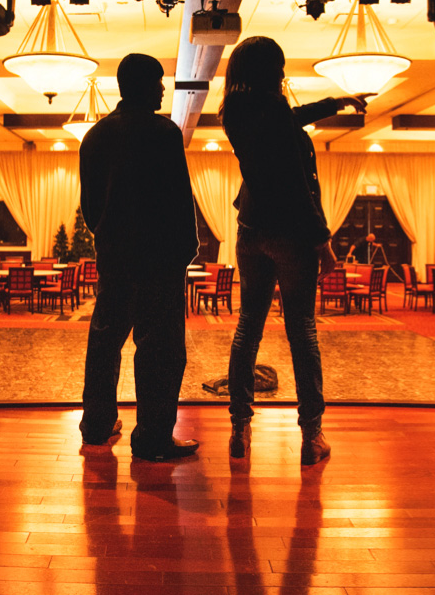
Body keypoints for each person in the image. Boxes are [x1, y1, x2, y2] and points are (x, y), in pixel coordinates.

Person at [220, 36, 370, 465]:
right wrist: (322, 241)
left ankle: (240, 429)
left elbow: (292, 118)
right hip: (291, 233)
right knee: (301, 331)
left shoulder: (237, 113)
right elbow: (299, 188)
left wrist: (335, 102)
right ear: (272, 71)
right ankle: (311, 436)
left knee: (248, 327)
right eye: (280, 66)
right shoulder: (276, 114)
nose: (284, 73)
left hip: (250, 229)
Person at [78, 53, 201, 461]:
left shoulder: (93, 137)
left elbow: (90, 208)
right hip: (159, 262)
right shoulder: (164, 133)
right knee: (161, 350)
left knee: (104, 342)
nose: (164, 89)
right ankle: (151, 437)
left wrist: (109, 238)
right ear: (144, 85)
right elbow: (180, 201)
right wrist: (187, 250)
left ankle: (96, 425)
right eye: (159, 82)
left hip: (114, 257)